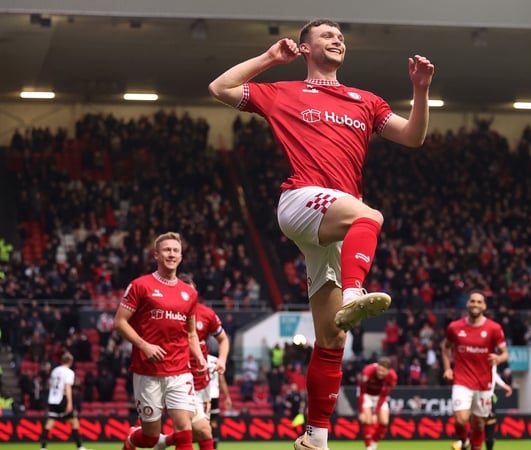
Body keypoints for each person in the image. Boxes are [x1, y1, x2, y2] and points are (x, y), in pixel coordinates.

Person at [207, 18, 434, 450]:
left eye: (341, 37)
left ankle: (316, 435)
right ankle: (354, 293)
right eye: (328, 36)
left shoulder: (365, 100)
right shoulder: (284, 92)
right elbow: (220, 87)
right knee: (371, 218)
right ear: (305, 48)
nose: (338, 40)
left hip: (332, 223)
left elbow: (412, 136)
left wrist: (420, 91)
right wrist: (269, 59)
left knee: (332, 337)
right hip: (301, 199)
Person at [114, 232, 207, 450]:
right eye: (166, 250)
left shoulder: (189, 294)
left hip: (180, 370)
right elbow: (119, 323)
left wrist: (200, 358)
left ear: (181, 256)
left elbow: (191, 333)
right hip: (148, 372)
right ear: (156, 255)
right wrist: (144, 345)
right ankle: (131, 440)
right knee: (150, 438)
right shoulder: (140, 286)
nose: (171, 254)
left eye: (176, 250)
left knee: (184, 427)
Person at [155, 278, 230, 450]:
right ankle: (150, 440)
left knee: (203, 432)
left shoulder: (206, 314)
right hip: (177, 378)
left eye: (190, 293)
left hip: (202, 383)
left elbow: (223, 339)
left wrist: (222, 359)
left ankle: (163, 442)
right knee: (188, 431)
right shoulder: (167, 314)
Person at [441, 290, 508, 450]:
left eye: (479, 302)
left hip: (484, 383)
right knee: (460, 419)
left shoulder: (494, 328)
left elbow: (505, 354)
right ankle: (464, 442)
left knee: (479, 424)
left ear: (484, 306)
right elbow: (445, 347)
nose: (475, 304)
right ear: (467, 304)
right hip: (462, 380)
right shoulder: (455, 327)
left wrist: (498, 358)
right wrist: (447, 368)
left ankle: (474, 446)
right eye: (473, 301)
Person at [38, 352, 92, 450]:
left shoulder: (54, 371)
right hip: (62, 398)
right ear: (70, 362)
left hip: (53, 399)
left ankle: (43, 447)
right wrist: (69, 402)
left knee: (50, 422)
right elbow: (67, 387)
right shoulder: (69, 372)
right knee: (74, 421)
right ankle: (80, 447)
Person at [357, 356, 398, 450]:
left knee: (384, 422)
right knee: (367, 420)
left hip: (379, 396)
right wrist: (361, 411)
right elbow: (361, 392)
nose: (380, 372)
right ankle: (368, 447)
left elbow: (383, 396)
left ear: (388, 370)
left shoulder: (392, 377)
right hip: (366, 395)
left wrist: (376, 413)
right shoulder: (367, 372)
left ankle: (374, 442)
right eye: (379, 369)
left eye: (383, 371)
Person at [484, 366, 513, 450]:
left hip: (486, 396)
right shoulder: (488, 356)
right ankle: (463, 442)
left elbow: (493, 374)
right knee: (485, 425)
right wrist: (504, 385)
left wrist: (504, 385)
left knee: (484, 424)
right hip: (484, 395)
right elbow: (492, 374)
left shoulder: (492, 360)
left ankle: (463, 442)